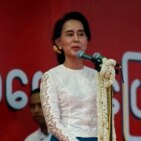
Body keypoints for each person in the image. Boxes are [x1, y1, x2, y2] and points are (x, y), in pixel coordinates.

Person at [40, 11, 116, 141]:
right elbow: (53, 124)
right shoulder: (51, 76)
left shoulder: (97, 75)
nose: (76, 39)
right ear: (59, 42)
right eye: (70, 34)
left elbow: (105, 119)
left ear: (86, 41)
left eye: (81, 34)